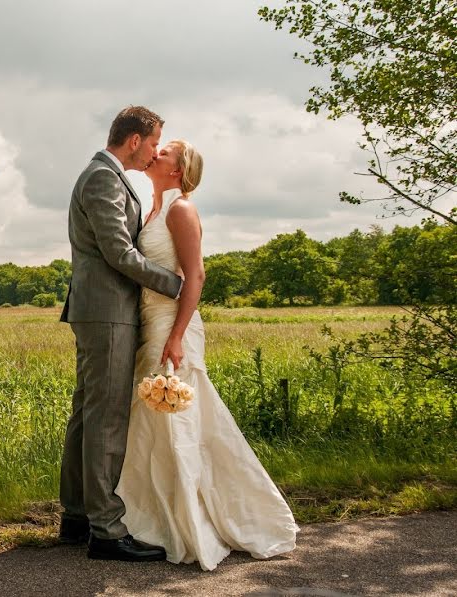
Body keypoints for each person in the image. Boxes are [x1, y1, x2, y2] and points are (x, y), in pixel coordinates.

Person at [115, 140, 299, 571]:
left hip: (171, 326)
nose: (154, 154)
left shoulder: (182, 210)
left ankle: (192, 521)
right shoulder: (152, 212)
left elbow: (195, 274)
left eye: (165, 153)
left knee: (177, 419)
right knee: (152, 422)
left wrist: (177, 335)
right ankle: (155, 515)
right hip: (149, 323)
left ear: (177, 171)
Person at [59, 106, 182, 561]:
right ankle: (106, 531)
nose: (153, 153)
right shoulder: (103, 178)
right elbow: (118, 252)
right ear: (134, 140)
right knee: (106, 416)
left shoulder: (106, 177)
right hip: (108, 311)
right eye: (152, 144)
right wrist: (174, 284)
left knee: (87, 414)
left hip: (100, 310)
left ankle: (76, 517)